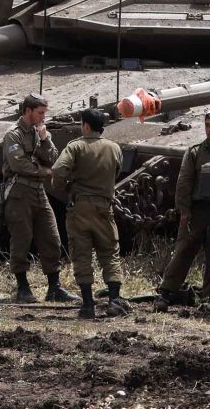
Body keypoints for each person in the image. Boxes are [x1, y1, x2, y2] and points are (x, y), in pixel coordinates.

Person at [154, 109, 210, 311]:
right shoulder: (195, 153)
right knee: (183, 251)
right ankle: (166, 292)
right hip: (197, 210)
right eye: (207, 125)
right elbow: (184, 182)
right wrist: (184, 210)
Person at [51, 108, 129, 319]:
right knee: (110, 253)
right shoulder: (114, 147)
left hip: (80, 208)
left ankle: (87, 305)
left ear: (85, 126)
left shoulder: (75, 146)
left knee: (81, 254)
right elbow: (117, 171)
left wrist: (63, 187)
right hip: (104, 207)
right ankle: (114, 300)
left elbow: (58, 170)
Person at [2, 93, 79, 304]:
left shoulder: (40, 133)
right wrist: (44, 172)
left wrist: (45, 139)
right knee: (21, 239)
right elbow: (19, 164)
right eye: (40, 112)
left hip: (38, 191)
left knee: (51, 238)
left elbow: (53, 158)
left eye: (45, 112)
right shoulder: (13, 135)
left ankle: (54, 288)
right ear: (28, 111)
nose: (44, 116)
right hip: (19, 192)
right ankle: (23, 288)